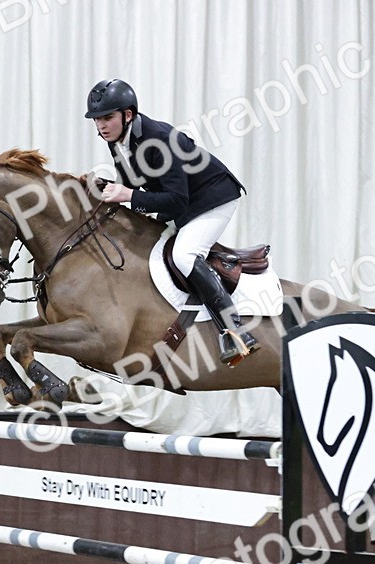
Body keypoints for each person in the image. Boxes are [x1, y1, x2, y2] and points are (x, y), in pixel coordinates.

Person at [84, 78, 259, 366]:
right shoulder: (117, 140)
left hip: (214, 198)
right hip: (186, 202)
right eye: (97, 120)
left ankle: (235, 331)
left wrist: (128, 194)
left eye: (107, 117)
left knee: (184, 255)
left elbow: (175, 200)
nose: (101, 125)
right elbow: (131, 183)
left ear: (127, 115)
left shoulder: (159, 139)